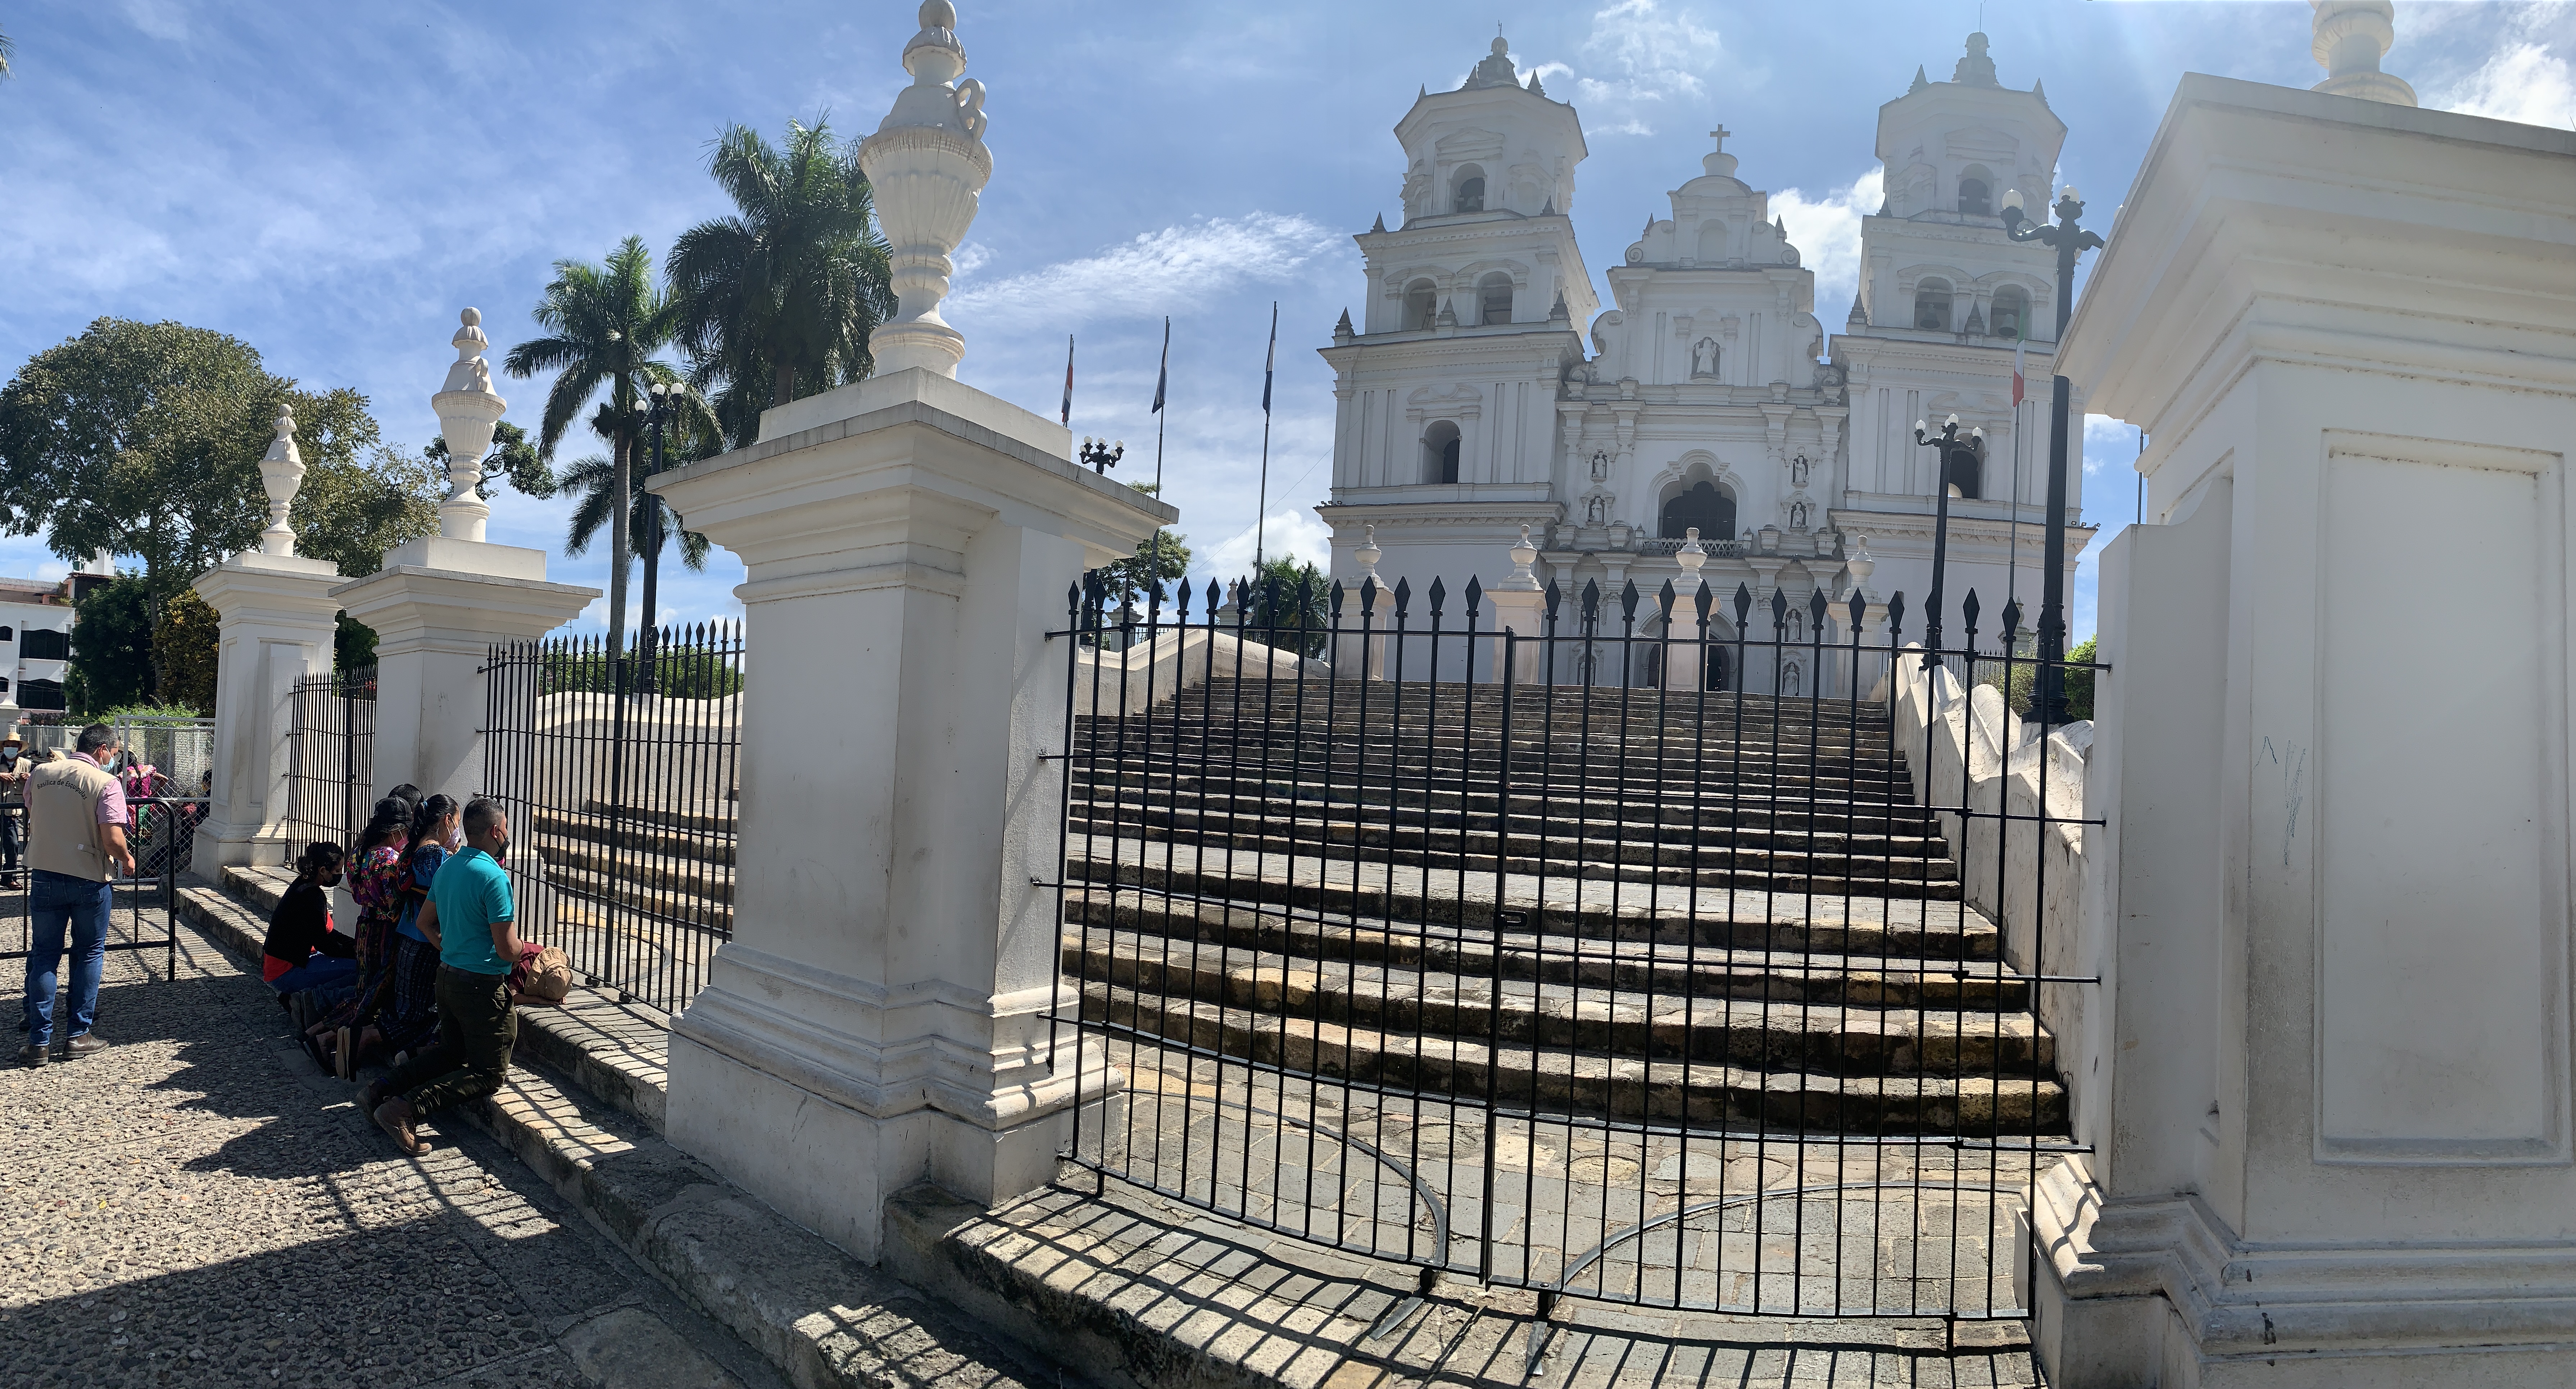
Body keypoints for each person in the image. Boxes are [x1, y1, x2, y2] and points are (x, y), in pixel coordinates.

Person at [364, 798, 521, 1154]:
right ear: (497, 831)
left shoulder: (449, 867)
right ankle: (403, 1108)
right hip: (481, 986)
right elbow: (507, 949)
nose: (507, 833)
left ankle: (380, 1088)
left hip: (447, 976)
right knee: (488, 1073)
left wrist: (449, 947)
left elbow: (424, 922)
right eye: (507, 827)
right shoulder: (495, 877)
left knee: (451, 1052)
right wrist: (526, 949)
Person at [19, 724, 133, 1066]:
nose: (113, 760)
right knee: (87, 953)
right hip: (88, 875)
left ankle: (38, 1040)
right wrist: (127, 859)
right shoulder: (105, 783)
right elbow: (112, 838)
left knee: (44, 954)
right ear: (102, 750)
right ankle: (78, 1035)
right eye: (114, 754)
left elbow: (32, 812)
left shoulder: (39, 773)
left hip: (44, 869)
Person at [311, 797, 413, 1078]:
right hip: (384, 932)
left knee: (364, 991)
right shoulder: (389, 861)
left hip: (365, 926)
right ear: (395, 831)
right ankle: (325, 1038)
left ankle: (316, 1031)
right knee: (373, 995)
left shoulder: (359, 854)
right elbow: (395, 905)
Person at [380, 794, 458, 1064]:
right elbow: (446, 896)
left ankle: (352, 1039)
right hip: (428, 941)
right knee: (423, 1013)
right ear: (447, 821)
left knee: (407, 1008)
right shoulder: (436, 854)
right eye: (457, 822)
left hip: (408, 934)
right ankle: (364, 1041)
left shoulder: (412, 848)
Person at [260, 842, 354, 997]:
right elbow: (325, 944)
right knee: (360, 970)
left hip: (284, 965)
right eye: (337, 871)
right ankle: (309, 1001)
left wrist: (354, 945)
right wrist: (357, 955)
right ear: (323, 871)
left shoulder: (303, 885)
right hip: (287, 972)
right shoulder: (312, 896)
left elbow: (328, 934)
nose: (340, 874)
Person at [0, 734, 28, 888]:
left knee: (13, 845)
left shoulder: (27, 764)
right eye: (7, 745)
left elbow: (36, 783)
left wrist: (29, 777)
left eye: (13, 746)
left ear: (19, 748)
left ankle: (9, 877)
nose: (9, 748)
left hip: (12, 812)